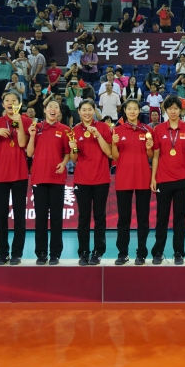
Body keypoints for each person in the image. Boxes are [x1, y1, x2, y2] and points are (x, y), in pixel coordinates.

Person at [0, 91, 32, 265]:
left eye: (14, 100)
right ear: (3, 103)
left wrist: (19, 122)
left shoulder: (26, 121)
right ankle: (2, 253)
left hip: (19, 173)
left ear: (19, 104)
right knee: (1, 216)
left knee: (19, 216)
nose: (10, 103)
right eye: (7, 100)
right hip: (0, 175)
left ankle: (17, 253)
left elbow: (22, 143)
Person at [26, 97, 72, 265]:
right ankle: (41, 253)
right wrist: (32, 136)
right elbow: (29, 153)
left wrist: (64, 163)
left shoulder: (65, 130)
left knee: (56, 218)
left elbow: (68, 153)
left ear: (59, 112)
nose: (53, 109)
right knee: (40, 218)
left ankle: (55, 253)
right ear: (45, 110)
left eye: (56, 107)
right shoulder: (36, 128)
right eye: (50, 106)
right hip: (39, 177)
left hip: (57, 179)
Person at [69, 99, 114, 266]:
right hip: (82, 179)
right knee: (84, 217)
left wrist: (98, 135)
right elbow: (74, 158)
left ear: (94, 111)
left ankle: (98, 251)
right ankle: (83, 252)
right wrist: (73, 147)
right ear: (79, 112)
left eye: (90, 109)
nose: (87, 113)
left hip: (101, 178)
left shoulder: (103, 127)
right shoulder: (74, 130)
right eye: (84, 110)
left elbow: (109, 152)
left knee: (99, 217)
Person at [150, 96, 185, 265]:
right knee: (162, 218)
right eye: (170, 109)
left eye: (176, 108)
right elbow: (155, 156)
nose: (173, 111)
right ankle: (158, 252)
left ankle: (178, 252)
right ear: (166, 110)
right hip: (163, 179)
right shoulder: (159, 129)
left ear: (181, 110)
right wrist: (153, 178)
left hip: (182, 179)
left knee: (179, 218)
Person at [111, 99, 154, 265]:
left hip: (143, 178)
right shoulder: (117, 130)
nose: (132, 111)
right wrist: (114, 143)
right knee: (123, 218)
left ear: (139, 111)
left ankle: (141, 253)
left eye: (135, 109)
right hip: (124, 179)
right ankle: (122, 253)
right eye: (129, 109)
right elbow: (115, 157)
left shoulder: (148, 130)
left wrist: (149, 147)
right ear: (125, 111)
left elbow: (150, 156)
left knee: (143, 219)